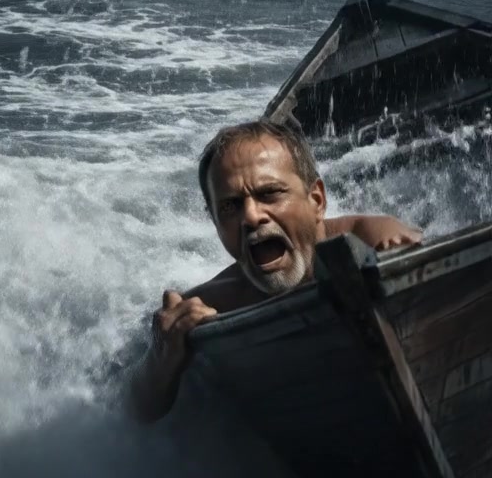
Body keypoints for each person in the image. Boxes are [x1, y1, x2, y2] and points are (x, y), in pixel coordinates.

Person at [129, 118, 422, 423]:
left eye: (269, 194)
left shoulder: (371, 238)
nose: (252, 216)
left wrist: (404, 261)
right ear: (216, 224)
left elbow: (413, 248)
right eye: (230, 206)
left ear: (317, 201)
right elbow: (132, 412)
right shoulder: (217, 304)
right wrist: (161, 359)